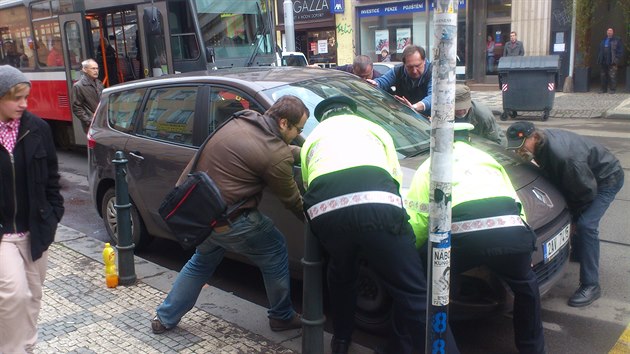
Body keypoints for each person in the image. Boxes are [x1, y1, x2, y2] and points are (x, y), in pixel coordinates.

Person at [301, 96, 459, 354]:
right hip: (379, 205)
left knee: (342, 275)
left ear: (323, 118)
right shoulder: (373, 128)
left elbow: (308, 184)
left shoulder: (313, 138)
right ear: (353, 111)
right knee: (414, 294)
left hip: (327, 214)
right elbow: (394, 177)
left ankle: (341, 340)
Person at [151, 95, 309, 334]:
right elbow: (293, 201)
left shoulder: (246, 119)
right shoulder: (275, 155)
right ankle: (282, 316)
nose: (298, 134)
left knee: (202, 260)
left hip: (199, 212)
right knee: (275, 247)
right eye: (299, 129)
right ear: (284, 123)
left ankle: (165, 317)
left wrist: (304, 151)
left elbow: (269, 149)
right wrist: (316, 221)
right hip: (230, 220)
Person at [405, 123, 545, 354]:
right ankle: (533, 348)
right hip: (510, 229)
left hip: (463, 237)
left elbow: (420, 218)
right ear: (467, 139)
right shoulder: (486, 158)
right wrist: (523, 249)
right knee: (526, 287)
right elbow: (515, 203)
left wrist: (415, 256)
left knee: (419, 284)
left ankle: (414, 343)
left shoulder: (430, 165)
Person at [506, 121, 624, 307]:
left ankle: (591, 285)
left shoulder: (565, 158)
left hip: (607, 179)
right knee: (577, 218)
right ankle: (580, 252)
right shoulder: (544, 144)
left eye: (522, 145)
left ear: (535, 137)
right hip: (587, 178)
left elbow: (585, 193)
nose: (519, 150)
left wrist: (574, 222)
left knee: (586, 226)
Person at [0, 65, 64, 353]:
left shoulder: (38, 129)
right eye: (16, 98)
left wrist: (53, 215)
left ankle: (26, 347)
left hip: (35, 229)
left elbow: (52, 178)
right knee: (14, 293)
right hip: (3, 234)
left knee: (33, 296)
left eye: (26, 97)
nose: (23, 104)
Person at [369, 45, 433, 116]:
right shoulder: (398, 71)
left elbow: (433, 97)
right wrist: (375, 83)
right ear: (404, 64)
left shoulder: (433, 73)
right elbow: (383, 81)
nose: (414, 71)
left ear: (424, 61)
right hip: (404, 120)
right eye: (410, 67)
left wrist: (415, 107)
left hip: (428, 120)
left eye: (418, 66)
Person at [71, 59, 104, 133]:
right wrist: (89, 121)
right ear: (85, 70)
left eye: (97, 68)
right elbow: (76, 107)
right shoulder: (78, 86)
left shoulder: (99, 83)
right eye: (93, 68)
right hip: (91, 124)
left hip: (102, 121)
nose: (96, 71)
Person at [597, 28, 623, 94]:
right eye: (608, 31)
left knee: (612, 75)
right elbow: (600, 50)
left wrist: (616, 60)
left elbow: (620, 51)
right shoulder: (603, 40)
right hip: (603, 61)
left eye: (610, 31)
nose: (609, 32)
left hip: (612, 61)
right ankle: (603, 89)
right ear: (606, 32)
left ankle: (612, 89)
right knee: (603, 75)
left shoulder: (617, 40)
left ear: (613, 32)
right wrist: (599, 58)